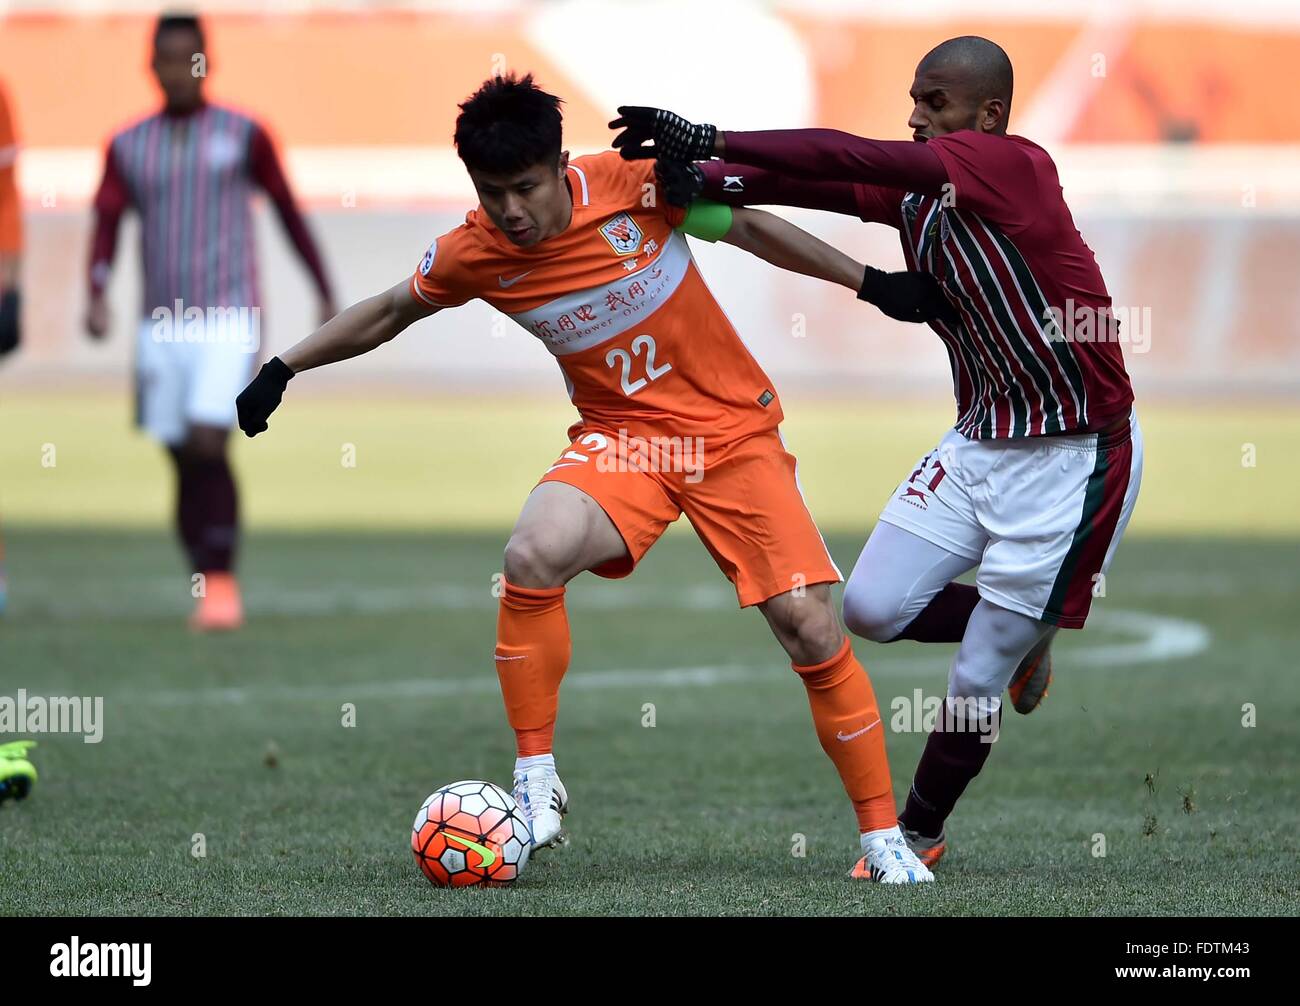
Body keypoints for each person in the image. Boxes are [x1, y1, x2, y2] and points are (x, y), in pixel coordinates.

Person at [237, 72, 935, 882]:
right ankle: (537, 787)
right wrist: (285, 367)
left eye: (525, 188)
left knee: (810, 627)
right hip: (624, 442)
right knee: (533, 553)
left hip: (731, 436)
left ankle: (883, 841)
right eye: (490, 192)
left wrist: (872, 284)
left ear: (560, 163)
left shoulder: (636, 187)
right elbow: (391, 310)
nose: (510, 212)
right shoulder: (476, 253)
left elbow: (744, 226)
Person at [613, 34, 1143, 868]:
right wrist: (704, 181)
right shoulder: (921, 199)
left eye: (935, 102)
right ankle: (1026, 626)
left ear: (989, 116)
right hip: (980, 442)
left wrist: (710, 136)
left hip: (1074, 457)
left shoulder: (1018, 168)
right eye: (915, 99)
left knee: (975, 678)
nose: (916, 115)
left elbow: (850, 152)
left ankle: (920, 832)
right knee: (870, 609)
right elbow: (819, 179)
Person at [86, 13, 335, 630]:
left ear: (206, 61)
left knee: (207, 438)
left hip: (228, 312)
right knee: (180, 454)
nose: (177, 70)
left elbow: (285, 207)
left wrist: (321, 283)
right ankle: (204, 571)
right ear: (151, 65)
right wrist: (96, 290)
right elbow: (108, 220)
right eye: (166, 59)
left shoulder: (243, 133)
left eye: (188, 58)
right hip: (160, 320)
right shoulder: (128, 144)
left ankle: (221, 582)